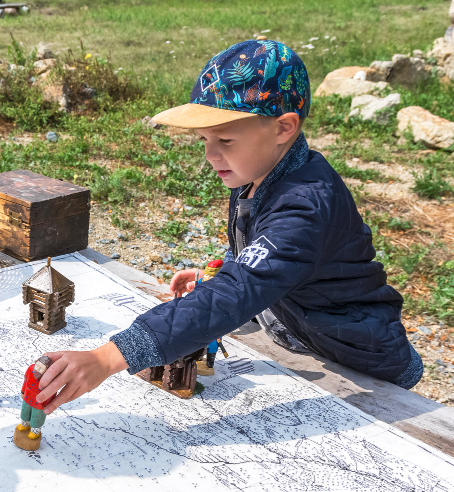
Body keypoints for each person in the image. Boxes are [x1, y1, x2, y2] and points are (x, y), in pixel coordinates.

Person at [37, 40, 422, 414]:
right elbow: (264, 254)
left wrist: (106, 359)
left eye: (224, 139)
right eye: (204, 139)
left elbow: (240, 289)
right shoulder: (258, 170)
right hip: (301, 334)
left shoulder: (305, 207)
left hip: (356, 360)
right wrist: (226, 266)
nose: (211, 154)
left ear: (283, 127)